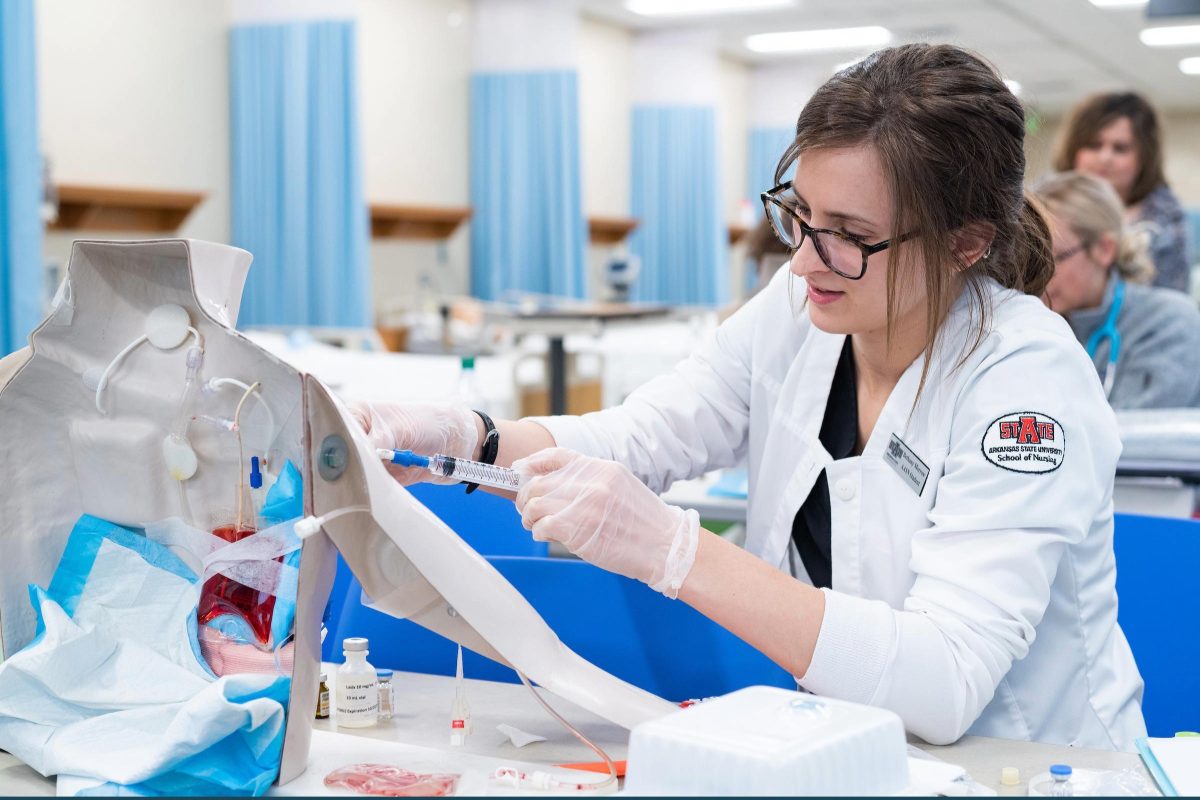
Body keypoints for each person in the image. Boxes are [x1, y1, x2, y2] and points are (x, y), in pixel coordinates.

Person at [355, 44, 1145, 750]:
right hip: (850, 747)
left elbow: (943, 681)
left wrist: (677, 551)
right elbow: (648, 434)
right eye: (798, 215)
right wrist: (469, 438)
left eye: (847, 232)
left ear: (964, 242)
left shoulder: (1025, 382)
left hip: (1035, 761)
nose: (804, 261)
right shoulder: (804, 305)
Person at [1033, 171, 1200, 409]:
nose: (1040, 277)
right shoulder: (1039, 330)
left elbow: (1139, 436)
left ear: (1104, 249)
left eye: (1054, 258)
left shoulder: (1170, 322)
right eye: (1032, 262)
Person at [1053, 92, 1192, 293]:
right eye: (1094, 145)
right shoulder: (1042, 205)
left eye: (1120, 148)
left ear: (1144, 158)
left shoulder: (1168, 223)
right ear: (1074, 150)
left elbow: (1171, 299)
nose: (1105, 158)